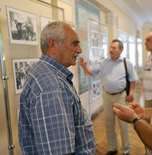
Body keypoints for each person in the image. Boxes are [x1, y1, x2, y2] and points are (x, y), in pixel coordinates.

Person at [18, 21, 95, 155]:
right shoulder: (51, 86)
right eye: (74, 43)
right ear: (53, 45)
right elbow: (57, 151)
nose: (79, 50)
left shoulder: (47, 74)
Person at [80, 39, 138, 155]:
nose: (111, 50)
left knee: (123, 124)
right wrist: (85, 66)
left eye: (114, 48)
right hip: (107, 96)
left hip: (121, 96)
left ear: (121, 50)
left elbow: (133, 79)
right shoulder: (104, 62)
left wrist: (131, 93)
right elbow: (91, 72)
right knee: (108, 123)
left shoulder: (127, 63)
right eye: (110, 47)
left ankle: (126, 149)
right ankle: (112, 148)